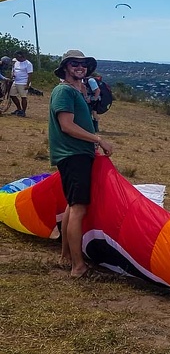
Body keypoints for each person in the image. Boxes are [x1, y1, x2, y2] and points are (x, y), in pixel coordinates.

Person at [49, 49, 113, 279]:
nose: (80, 67)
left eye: (83, 64)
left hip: (78, 154)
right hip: (73, 155)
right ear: (66, 67)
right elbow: (66, 125)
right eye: (74, 63)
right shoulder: (64, 91)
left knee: (71, 205)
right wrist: (98, 139)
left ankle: (67, 255)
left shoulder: (77, 91)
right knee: (78, 208)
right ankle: (79, 267)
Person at [9, 49, 33, 117]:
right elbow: (14, 70)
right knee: (12, 95)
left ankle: (23, 111)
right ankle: (19, 109)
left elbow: (30, 75)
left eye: (17, 56)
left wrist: (27, 84)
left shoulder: (28, 64)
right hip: (16, 81)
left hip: (23, 82)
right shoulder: (16, 62)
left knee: (23, 97)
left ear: (21, 56)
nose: (16, 58)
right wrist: (13, 74)